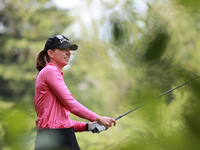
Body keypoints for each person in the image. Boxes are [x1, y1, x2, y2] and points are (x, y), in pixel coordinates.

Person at [34, 35, 116, 150]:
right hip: (58, 138)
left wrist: (88, 126)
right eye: (63, 50)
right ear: (51, 54)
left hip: (52, 137)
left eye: (69, 50)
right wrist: (98, 118)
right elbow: (73, 106)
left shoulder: (49, 72)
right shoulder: (51, 71)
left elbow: (61, 122)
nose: (68, 53)